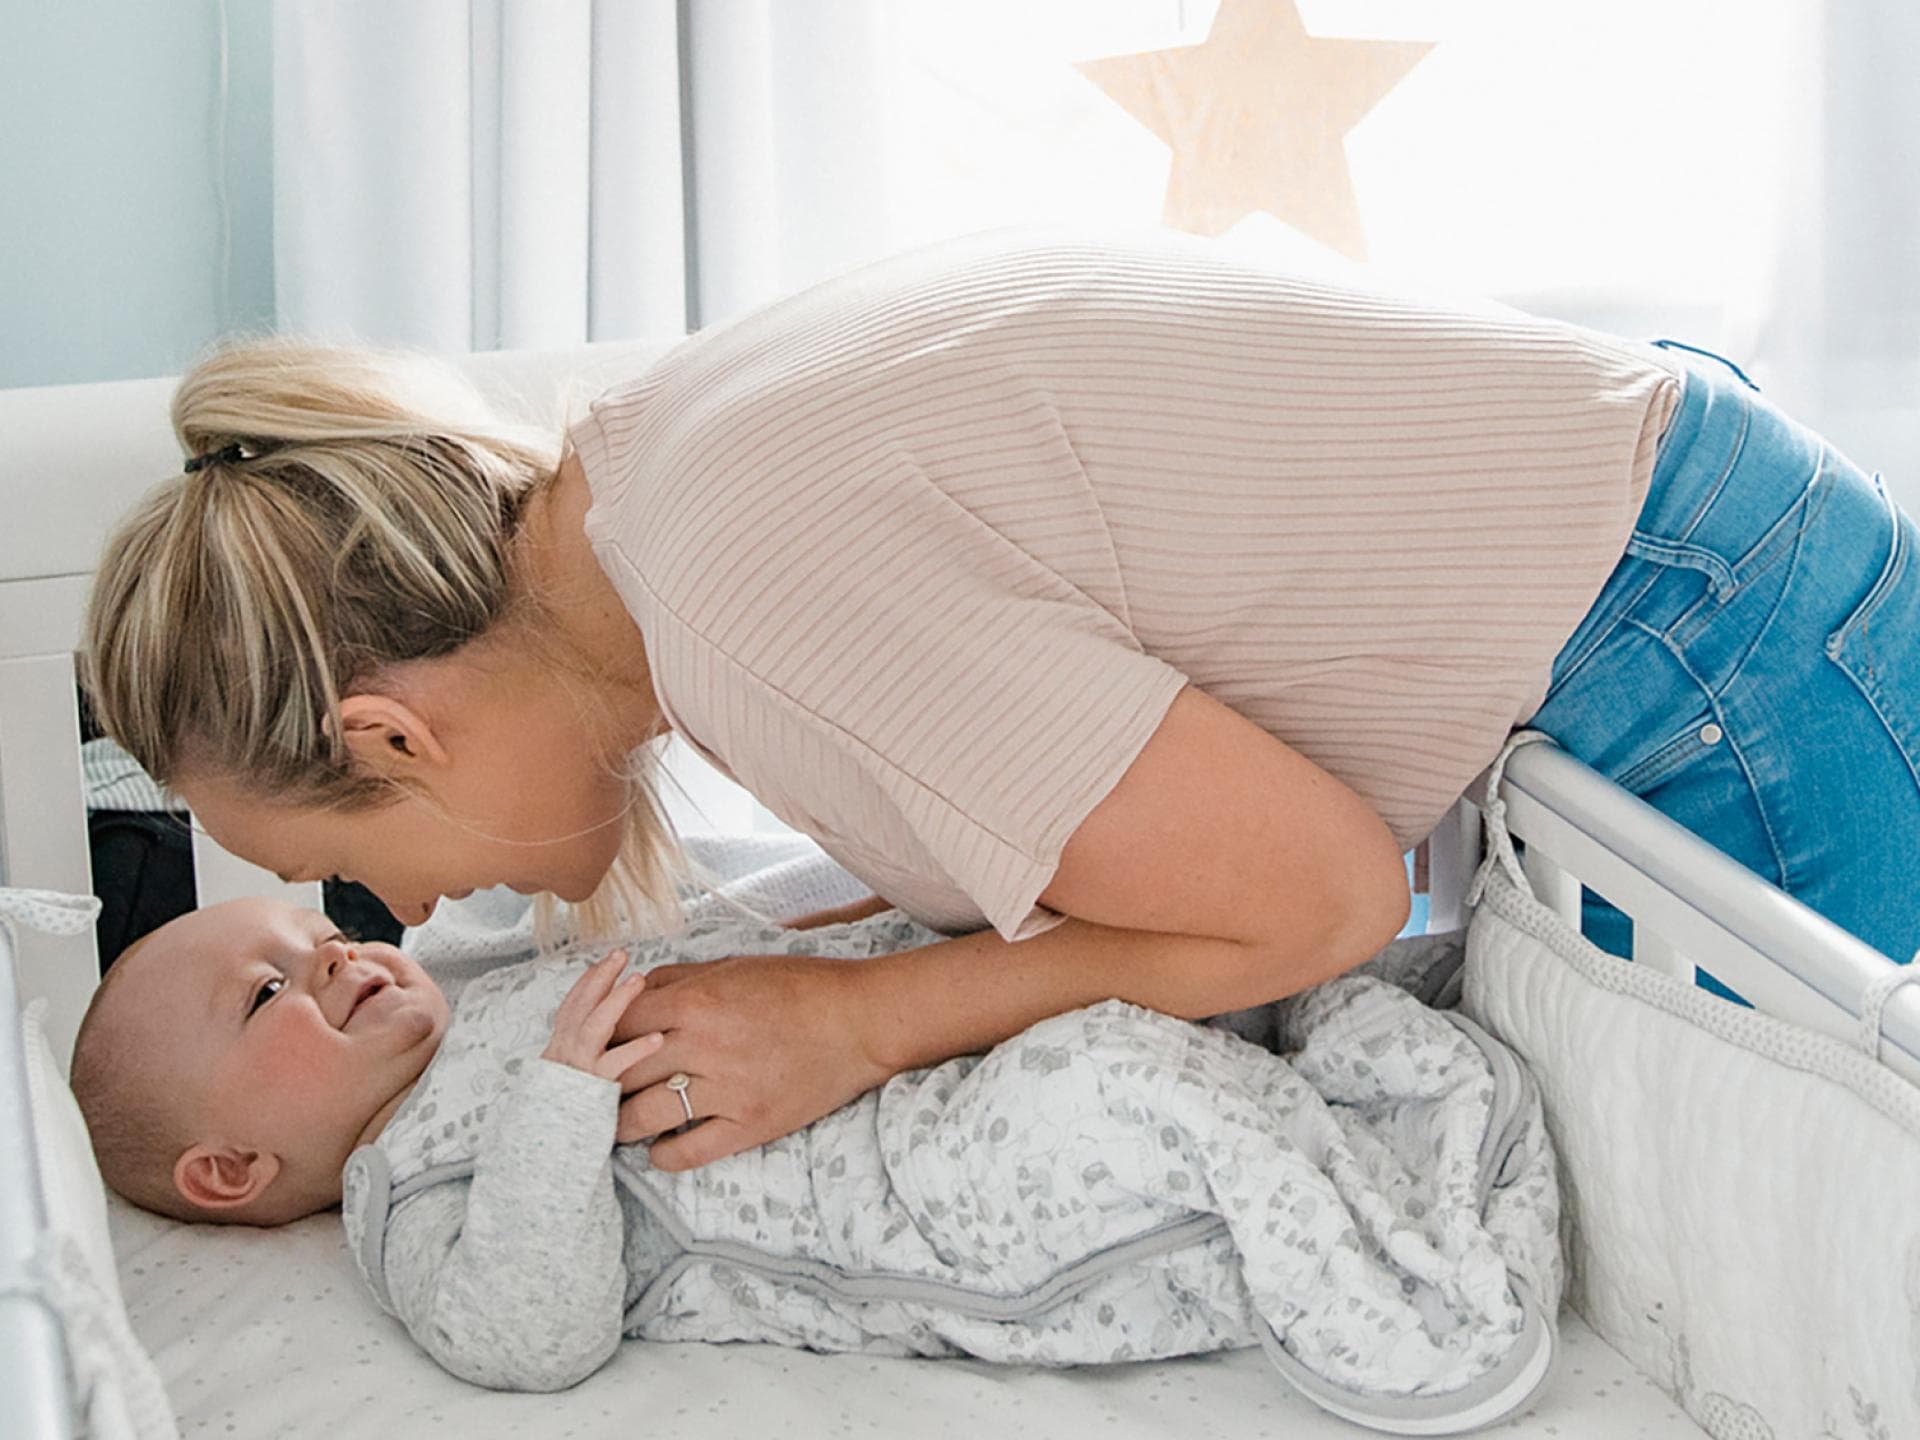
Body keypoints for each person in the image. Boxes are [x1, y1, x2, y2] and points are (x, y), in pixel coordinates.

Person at [79, 226, 1920, 1172]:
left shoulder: (736, 593)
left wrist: (860, 1027)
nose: (397, 919)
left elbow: (1331, 899)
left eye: (354, 863)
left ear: (394, 737)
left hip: (1697, 628)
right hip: (1665, 535)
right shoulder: (655, 485)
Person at [67, 894, 1556, 1428]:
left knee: (1098, 966)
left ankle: (1311, 1008)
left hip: (879, 1051)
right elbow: (531, 1335)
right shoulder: (406, 1199)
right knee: (1104, 1085)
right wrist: (559, 1104)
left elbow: (701, 933)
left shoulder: (475, 986)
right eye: (269, 992)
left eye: (314, 936)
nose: (328, 960)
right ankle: (1392, 1275)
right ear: (228, 1173)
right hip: (910, 1199)